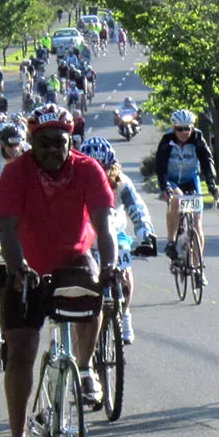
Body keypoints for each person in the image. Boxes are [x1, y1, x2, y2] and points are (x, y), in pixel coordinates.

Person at [0, 104, 119, 437]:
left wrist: (110, 262)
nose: (51, 149)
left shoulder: (87, 170)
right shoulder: (16, 173)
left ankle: (83, 368)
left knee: (95, 284)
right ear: (32, 142)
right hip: (26, 265)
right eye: (43, 142)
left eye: (58, 142)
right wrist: (19, 269)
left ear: (71, 141)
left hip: (72, 259)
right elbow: (6, 227)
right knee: (20, 352)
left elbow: (105, 224)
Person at [80, 136, 153, 343]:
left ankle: (125, 312)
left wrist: (144, 231)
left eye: (104, 169)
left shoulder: (122, 183)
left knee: (124, 272)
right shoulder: (76, 183)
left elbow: (137, 208)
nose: (100, 174)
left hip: (116, 233)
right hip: (87, 237)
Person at [154, 109, 219, 272]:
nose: (183, 132)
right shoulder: (167, 140)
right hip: (172, 180)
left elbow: (207, 161)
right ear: (173, 128)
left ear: (192, 128)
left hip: (191, 180)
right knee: (176, 199)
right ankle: (171, 241)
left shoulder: (197, 138)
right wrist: (165, 187)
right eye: (179, 129)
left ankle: (198, 267)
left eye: (187, 128)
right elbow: (160, 167)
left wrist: (212, 184)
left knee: (197, 224)